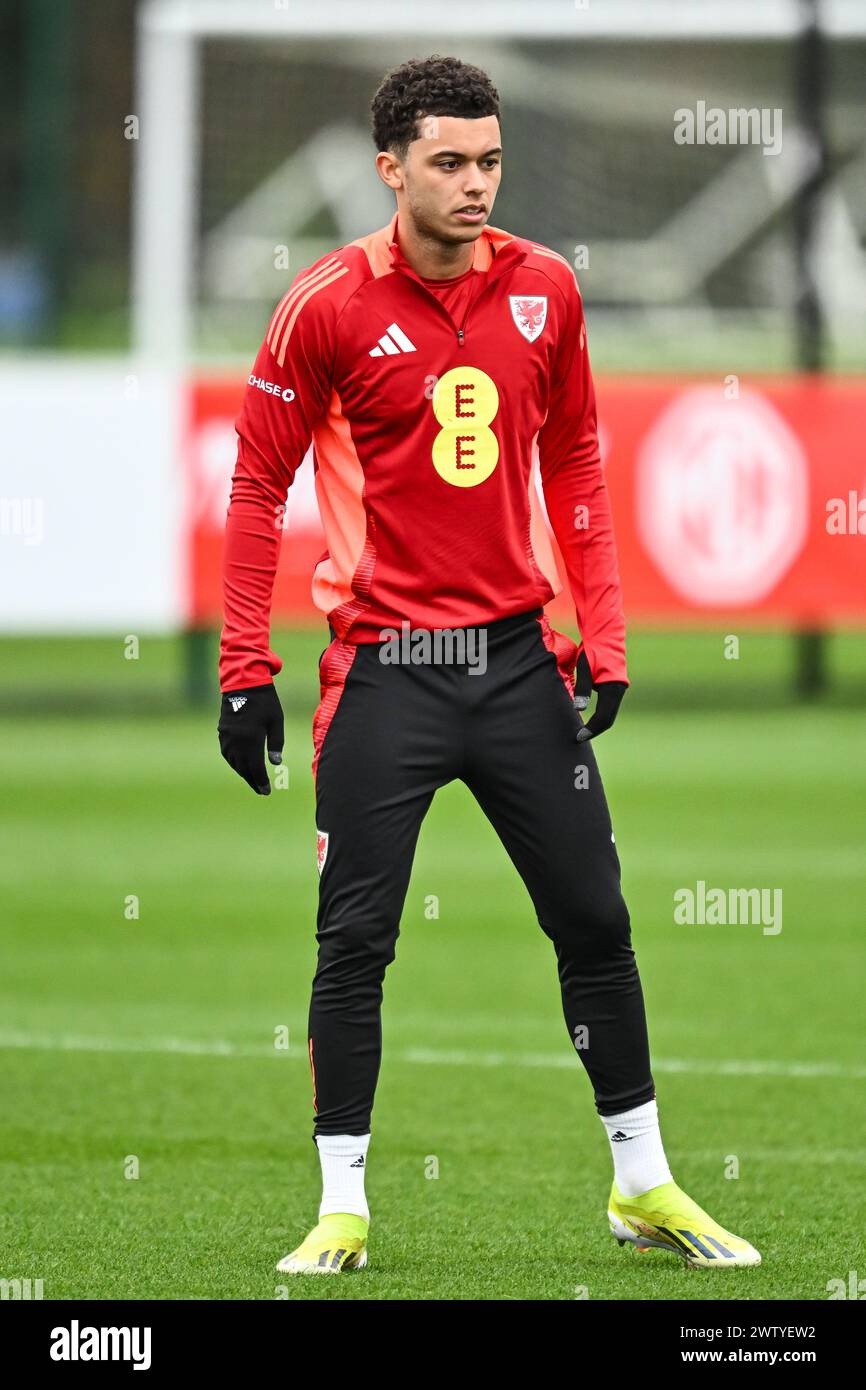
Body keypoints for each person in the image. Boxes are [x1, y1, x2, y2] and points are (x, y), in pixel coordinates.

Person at [217, 54, 760, 1276]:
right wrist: (241, 665)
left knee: (595, 921)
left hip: (517, 666)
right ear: (391, 167)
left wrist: (602, 635)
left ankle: (643, 1184)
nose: (474, 184)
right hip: (382, 675)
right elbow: (258, 485)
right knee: (353, 940)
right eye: (449, 162)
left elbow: (572, 459)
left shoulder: (546, 291)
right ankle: (342, 1204)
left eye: (489, 160)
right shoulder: (326, 304)